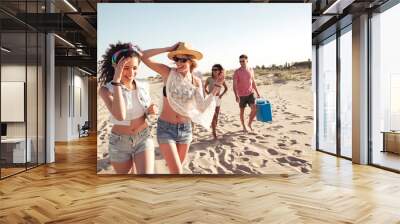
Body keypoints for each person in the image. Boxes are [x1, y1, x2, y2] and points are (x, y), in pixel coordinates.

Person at [140, 42, 224, 174]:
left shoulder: (196, 81)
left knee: (176, 171)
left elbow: (201, 107)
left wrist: (217, 87)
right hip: (166, 129)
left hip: (186, 130)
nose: (178, 63)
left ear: (191, 61)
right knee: (177, 171)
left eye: (182, 60)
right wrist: (167, 49)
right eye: (176, 59)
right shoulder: (168, 73)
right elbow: (143, 56)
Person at [98, 42, 156, 174]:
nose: (131, 73)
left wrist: (151, 108)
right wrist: (117, 81)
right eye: (126, 67)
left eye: (135, 68)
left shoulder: (143, 85)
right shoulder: (106, 90)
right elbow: (120, 116)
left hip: (143, 138)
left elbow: (147, 106)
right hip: (119, 143)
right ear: (116, 66)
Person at [233, 54, 261, 132]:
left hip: (250, 93)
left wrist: (257, 92)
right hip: (241, 95)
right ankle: (244, 126)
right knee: (242, 111)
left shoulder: (251, 70)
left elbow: (253, 82)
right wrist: (236, 95)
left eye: (243, 61)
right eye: (240, 61)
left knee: (255, 109)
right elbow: (234, 85)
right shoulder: (237, 72)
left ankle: (249, 123)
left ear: (247, 61)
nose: (241, 62)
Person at [205, 64, 228, 139]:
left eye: (215, 69)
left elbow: (226, 88)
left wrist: (221, 95)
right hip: (211, 99)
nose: (214, 71)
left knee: (216, 116)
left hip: (218, 99)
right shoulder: (209, 79)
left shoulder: (221, 79)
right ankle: (214, 132)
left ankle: (214, 128)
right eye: (213, 69)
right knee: (213, 115)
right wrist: (208, 94)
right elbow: (204, 87)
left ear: (219, 71)